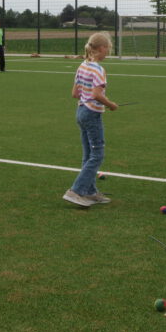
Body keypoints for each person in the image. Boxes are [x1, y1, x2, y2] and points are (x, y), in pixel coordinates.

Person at [63, 32, 118, 207]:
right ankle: (76, 190)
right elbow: (96, 94)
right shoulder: (98, 69)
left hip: (81, 112)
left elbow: (74, 93)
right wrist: (110, 104)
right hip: (92, 114)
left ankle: (90, 191)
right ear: (102, 48)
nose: (108, 51)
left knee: (88, 154)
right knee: (97, 155)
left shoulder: (82, 65)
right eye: (107, 48)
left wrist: (88, 97)